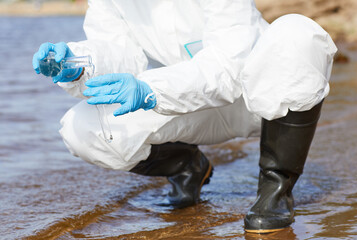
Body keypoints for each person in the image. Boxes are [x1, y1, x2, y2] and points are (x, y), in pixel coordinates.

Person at [32, 0, 337, 233]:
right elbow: (117, 52)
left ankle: (276, 190)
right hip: (188, 101)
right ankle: (189, 166)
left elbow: (230, 67)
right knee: (82, 128)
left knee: (298, 34)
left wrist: (151, 89)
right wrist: (78, 64)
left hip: (260, 97)